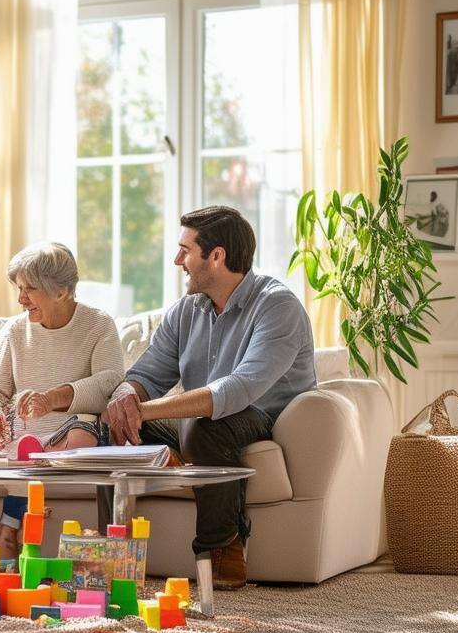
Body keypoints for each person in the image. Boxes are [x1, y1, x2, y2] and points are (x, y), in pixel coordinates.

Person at [103, 206, 316, 590]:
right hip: (201, 420)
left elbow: (238, 390)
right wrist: (124, 398)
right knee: (110, 425)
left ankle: (223, 548)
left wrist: (144, 410)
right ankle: (107, 551)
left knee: (203, 429)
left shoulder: (277, 306)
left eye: (185, 250)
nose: (177, 260)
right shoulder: (187, 310)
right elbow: (146, 374)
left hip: (264, 419)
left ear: (216, 256)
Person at [0, 242, 124, 558]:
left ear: (61, 292)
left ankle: (37, 467)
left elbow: (109, 382)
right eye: (19, 288)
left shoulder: (98, 325)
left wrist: (55, 398)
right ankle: (26, 474)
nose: (20, 299)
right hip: (23, 434)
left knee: (82, 433)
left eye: (29, 289)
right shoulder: (13, 331)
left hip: (73, 431)